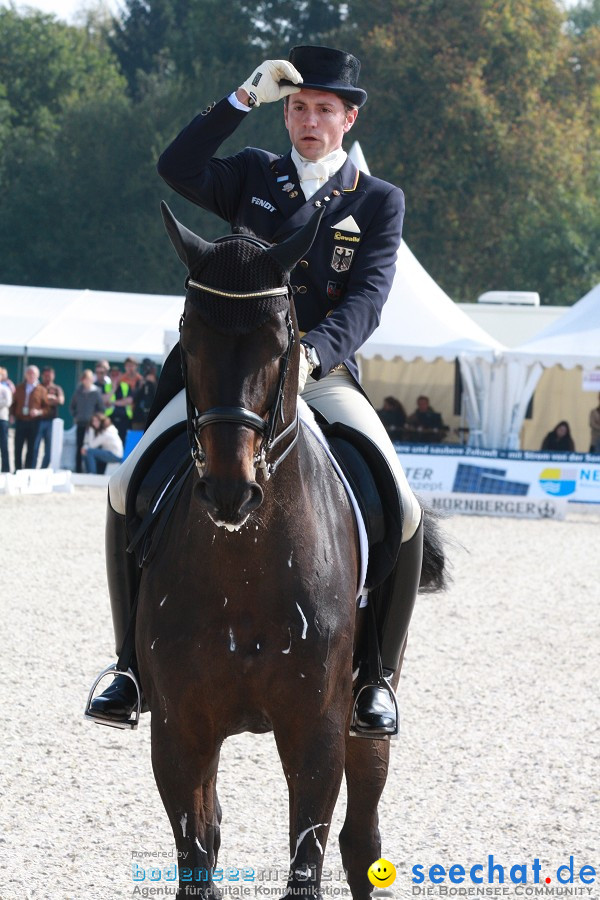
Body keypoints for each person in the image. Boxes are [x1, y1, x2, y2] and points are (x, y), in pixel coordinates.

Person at [88, 46, 423, 739]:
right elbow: (176, 168)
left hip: (317, 376)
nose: (307, 120)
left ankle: (377, 678)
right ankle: (127, 666)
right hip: (224, 375)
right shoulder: (250, 175)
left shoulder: (376, 199)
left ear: (348, 117)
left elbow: (367, 299)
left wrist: (313, 357)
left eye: (323, 109)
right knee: (126, 485)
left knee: (403, 502)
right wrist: (241, 99)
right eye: (297, 107)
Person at [11, 366, 48, 470]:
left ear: (37, 375)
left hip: (34, 422)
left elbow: (46, 408)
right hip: (21, 420)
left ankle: (28, 470)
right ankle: (17, 469)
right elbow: (13, 403)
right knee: (18, 446)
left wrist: (38, 412)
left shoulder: (41, 390)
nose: (31, 376)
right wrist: (12, 415)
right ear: (26, 375)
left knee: (32, 447)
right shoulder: (19, 388)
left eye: (33, 374)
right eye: (29, 373)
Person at [70, 370, 104, 473]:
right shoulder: (78, 392)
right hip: (80, 423)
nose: (87, 381)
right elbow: (72, 406)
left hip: (92, 425)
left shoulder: (96, 392)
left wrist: (96, 419)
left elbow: (101, 408)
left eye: (88, 379)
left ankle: (93, 470)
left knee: (93, 447)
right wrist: (76, 416)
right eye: (85, 379)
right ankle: (78, 470)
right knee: (79, 447)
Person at [32, 367, 65, 468]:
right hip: (39, 420)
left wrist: (49, 399)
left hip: (51, 421)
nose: (48, 378)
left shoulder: (56, 388)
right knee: (35, 446)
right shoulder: (38, 387)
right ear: (42, 376)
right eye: (46, 375)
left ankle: (43, 468)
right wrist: (49, 398)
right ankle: (32, 468)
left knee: (49, 448)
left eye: (49, 375)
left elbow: (61, 400)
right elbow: (37, 400)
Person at [131, 359, 158, 431]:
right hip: (139, 416)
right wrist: (140, 386)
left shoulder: (158, 381)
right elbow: (134, 399)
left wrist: (154, 383)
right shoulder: (140, 381)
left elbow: (159, 398)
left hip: (154, 416)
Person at [0, 378, 11, 473]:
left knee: (4, 445)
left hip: (2, 419)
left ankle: (5, 469)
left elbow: (8, 401)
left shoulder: (4, 388)